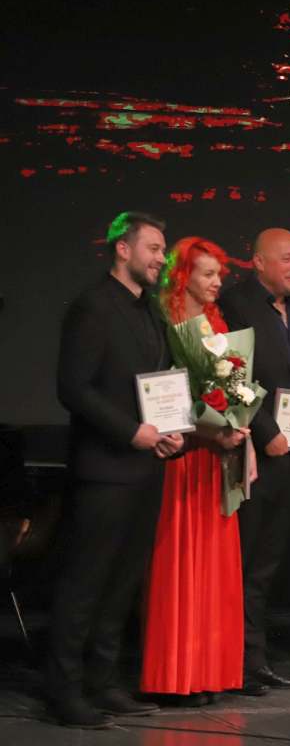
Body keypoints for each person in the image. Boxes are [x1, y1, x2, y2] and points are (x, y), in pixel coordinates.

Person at [47, 211, 184, 728]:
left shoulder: (150, 311)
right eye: (153, 248)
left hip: (145, 469)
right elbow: (74, 388)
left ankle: (103, 683)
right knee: (84, 584)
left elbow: (160, 384)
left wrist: (173, 429)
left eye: (163, 249)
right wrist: (132, 432)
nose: (161, 258)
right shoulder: (93, 306)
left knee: (122, 583)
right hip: (105, 471)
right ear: (122, 249)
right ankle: (64, 691)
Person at [220, 228, 290, 695]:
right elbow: (231, 375)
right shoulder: (235, 305)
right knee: (244, 563)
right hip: (255, 455)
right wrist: (266, 431)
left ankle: (255, 659)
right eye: (286, 258)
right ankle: (236, 662)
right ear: (258, 261)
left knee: (268, 567)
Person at [140, 237, 249, 706]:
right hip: (180, 460)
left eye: (219, 273)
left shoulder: (214, 325)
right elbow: (161, 396)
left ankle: (207, 673)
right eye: (207, 273)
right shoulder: (161, 324)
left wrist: (234, 428)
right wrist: (209, 429)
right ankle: (174, 676)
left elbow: (230, 390)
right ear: (184, 275)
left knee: (211, 571)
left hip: (212, 463)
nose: (217, 282)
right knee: (180, 566)